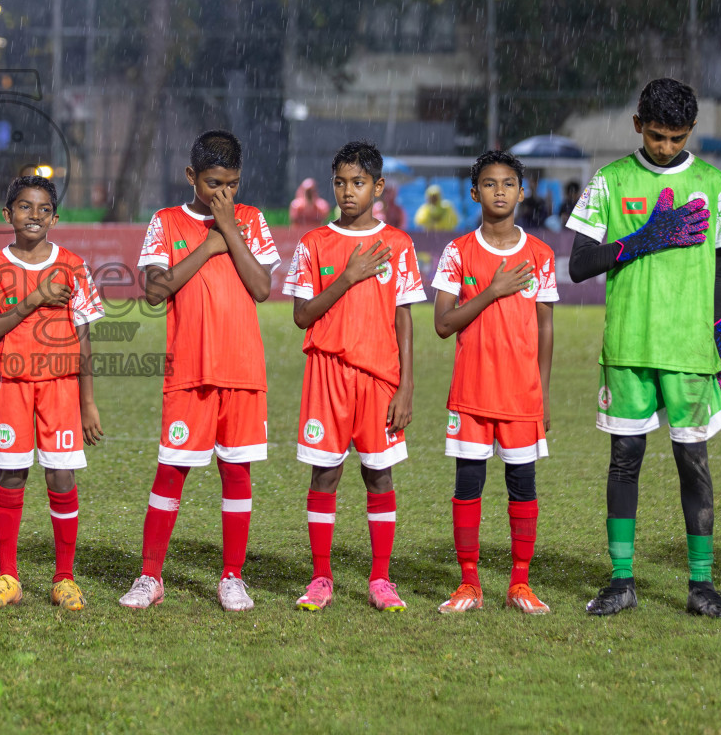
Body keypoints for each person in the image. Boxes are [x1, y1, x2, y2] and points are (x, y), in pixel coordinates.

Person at [567, 78, 721, 618]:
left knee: (694, 463)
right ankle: (621, 580)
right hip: (630, 345)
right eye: (658, 136)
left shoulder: (712, 183)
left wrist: (720, 328)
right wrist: (644, 237)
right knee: (625, 460)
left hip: (688, 348)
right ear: (638, 125)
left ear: (691, 132)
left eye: (678, 138)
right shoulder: (611, 181)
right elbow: (578, 265)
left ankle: (702, 585)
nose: (667, 147)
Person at [118, 130, 281, 612]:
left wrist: (229, 230)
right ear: (192, 176)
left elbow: (261, 287)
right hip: (189, 370)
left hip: (243, 370)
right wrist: (207, 248)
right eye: (213, 184)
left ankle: (232, 577)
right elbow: (154, 290)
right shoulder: (166, 222)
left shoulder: (250, 220)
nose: (224, 194)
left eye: (231, 183)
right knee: (170, 472)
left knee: (237, 474)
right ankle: (150, 577)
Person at [284, 140, 424, 612]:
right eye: (341, 183)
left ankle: (381, 579)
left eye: (359, 183)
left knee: (378, 475)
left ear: (377, 187)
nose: (348, 192)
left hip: (379, 377)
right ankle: (321, 577)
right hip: (327, 373)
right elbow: (303, 316)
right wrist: (347, 275)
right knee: (325, 474)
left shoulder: (398, 245)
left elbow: (405, 319)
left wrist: (406, 386)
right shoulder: (313, 244)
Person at [0, 175, 105, 611]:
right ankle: (9, 575)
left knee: (61, 476)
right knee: (12, 475)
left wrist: (88, 402)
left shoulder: (73, 265)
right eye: (25, 207)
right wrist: (33, 299)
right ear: (7, 215)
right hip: (11, 385)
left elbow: (83, 338)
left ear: (55, 217)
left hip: (61, 388)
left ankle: (64, 578)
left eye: (44, 208)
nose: (34, 215)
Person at [431, 151, 557, 615]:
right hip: (471, 393)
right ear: (474, 193)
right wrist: (492, 291)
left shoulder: (540, 255)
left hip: (522, 396)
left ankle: (519, 584)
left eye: (508, 183)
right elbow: (443, 324)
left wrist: (542, 394)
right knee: (469, 485)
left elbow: (545, 329)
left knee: (523, 486)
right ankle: (469, 584)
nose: (499, 190)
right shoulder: (457, 252)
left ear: (522, 192)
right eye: (489, 183)